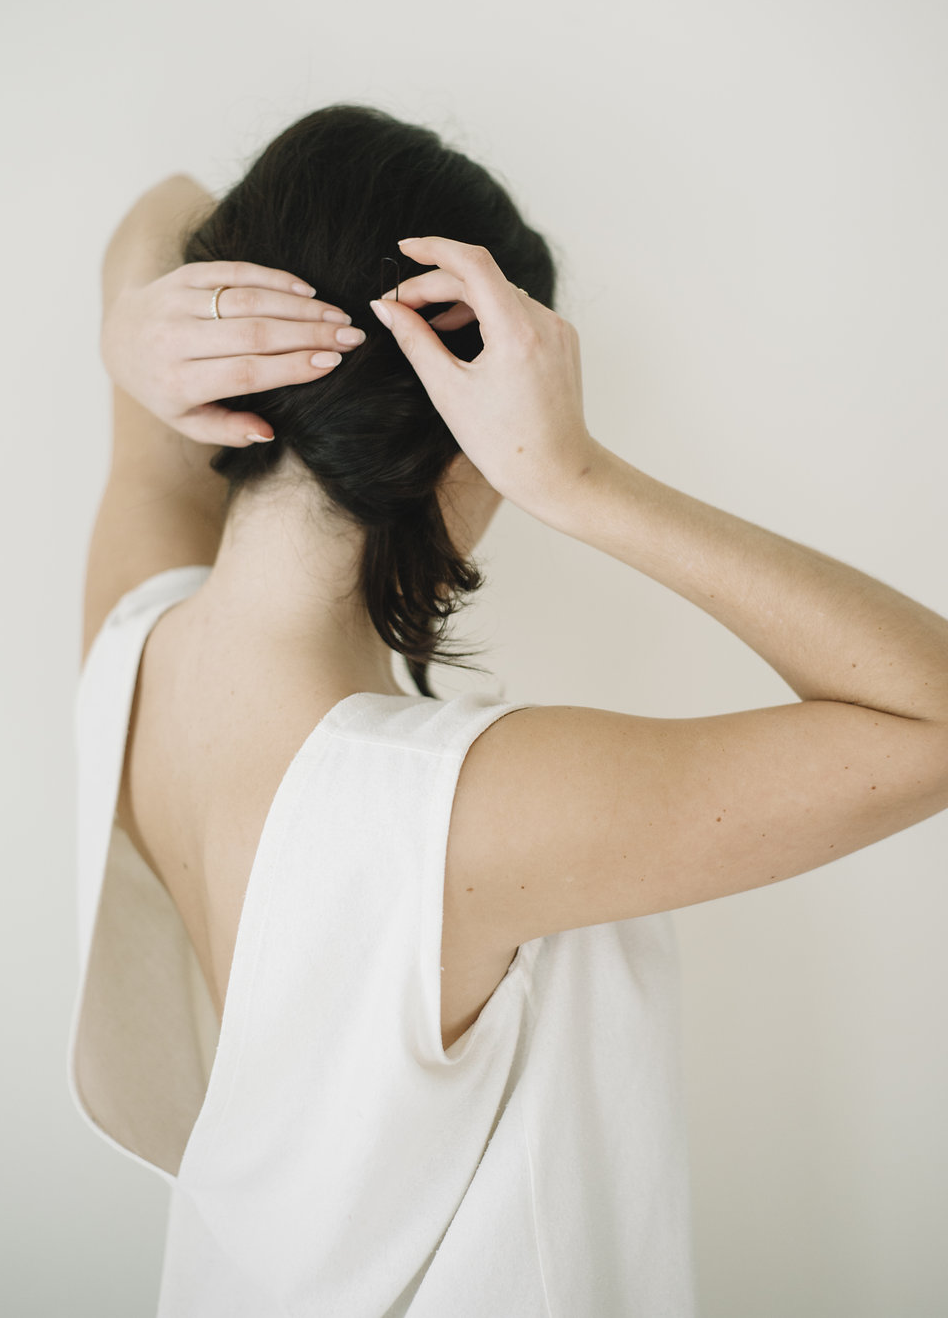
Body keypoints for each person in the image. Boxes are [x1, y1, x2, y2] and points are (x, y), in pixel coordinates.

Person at [70, 104, 948, 1318]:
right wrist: (579, 479)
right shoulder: (453, 817)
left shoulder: (131, 646)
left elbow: (152, 215)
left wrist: (133, 331)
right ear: (472, 431)